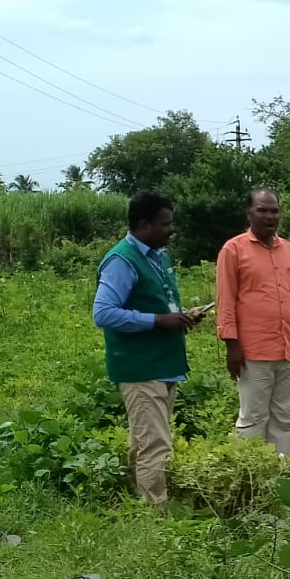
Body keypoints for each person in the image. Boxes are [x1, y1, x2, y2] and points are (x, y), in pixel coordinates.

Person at [91, 191, 203, 508]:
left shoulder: (157, 256)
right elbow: (103, 313)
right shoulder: (122, 260)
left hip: (164, 363)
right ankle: (157, 516)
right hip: (140, 367)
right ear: (143, 224)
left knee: (145, 442)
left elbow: (158, 304)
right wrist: (157, 320)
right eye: (165, 224)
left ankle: (138, 504)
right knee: (156, 444)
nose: (172, 230)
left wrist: (180, 317)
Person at [215, 188, 290, 456]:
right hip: (254, 350)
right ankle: (251, 476)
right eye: (262, 210)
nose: (270, 216)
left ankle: (278, 475)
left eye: (274, 211)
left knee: (284, 419)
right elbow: (227, 300)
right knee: (253, 418)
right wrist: (231, 345)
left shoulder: (289, 250)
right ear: (249, 213)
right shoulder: (233, 250)